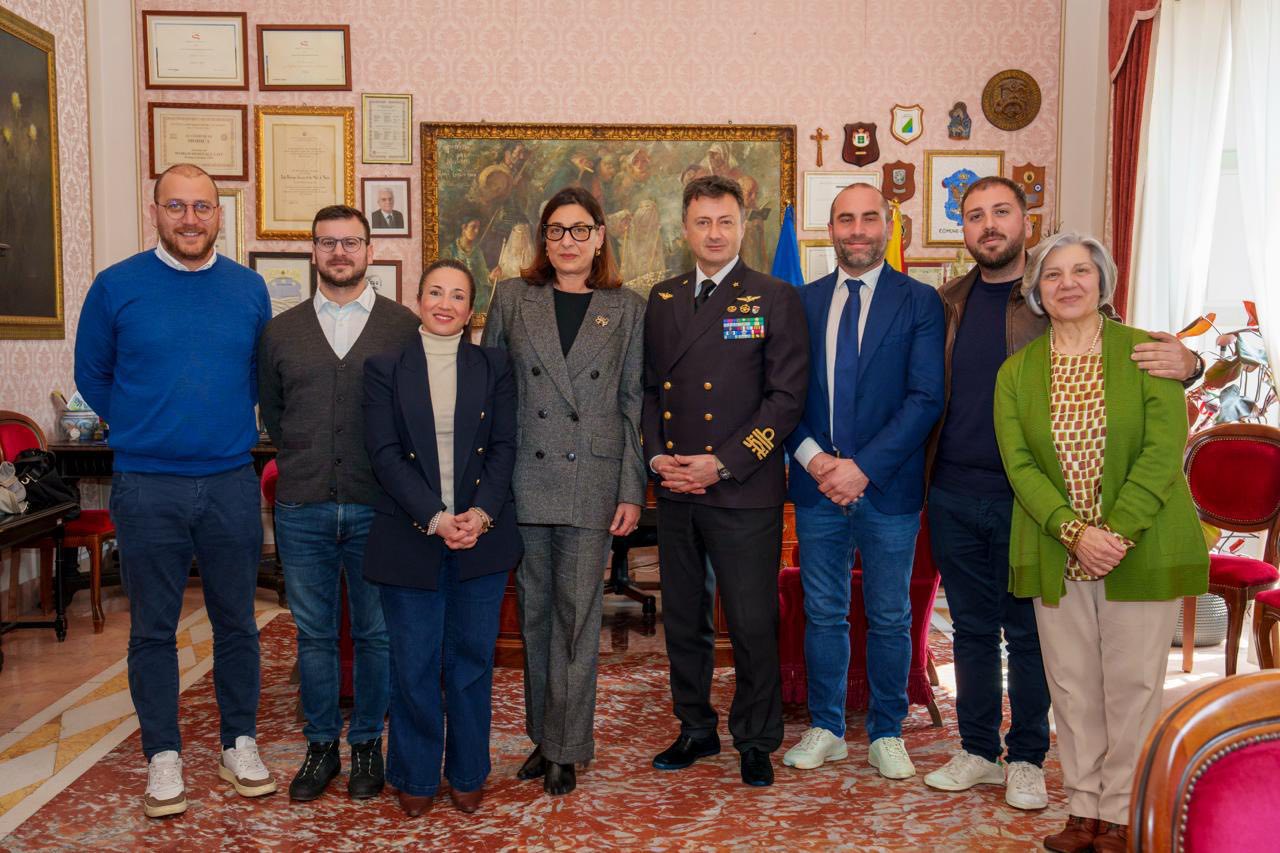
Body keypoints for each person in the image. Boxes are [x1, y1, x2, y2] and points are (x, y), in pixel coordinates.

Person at [922, 176, 1202, 811]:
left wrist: (1193, 363)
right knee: (976, 632)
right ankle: (980, 750)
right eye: (974, 215)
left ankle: (1028, 760)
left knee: (1036, 641)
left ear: (1026, 220)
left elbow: (1155, 417)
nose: (988, 225)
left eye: (1001, 211)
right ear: (963, 229)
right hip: (960, 492)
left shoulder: (1111, 333)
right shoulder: (945, 303)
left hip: (1034, 508)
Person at [994, 232, 1208, 853]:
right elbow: (1019, 465)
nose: (1068, 284)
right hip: (1056, 549)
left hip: (1138, 546)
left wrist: (1113, 534)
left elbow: (1163, 453)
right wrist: (1073, 532)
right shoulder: (1017, 373)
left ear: (1102, 282)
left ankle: (1121, 812)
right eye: (1053, 274)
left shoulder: (1147, 354)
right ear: (1037, 292)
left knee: (1133, 685)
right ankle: (1083, 808)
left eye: (1081, 271)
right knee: (1072, 686)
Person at [74, 163, 275, 818]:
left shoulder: (248, 289)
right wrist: (143, 426)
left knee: (237, 622)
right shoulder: (116, 286)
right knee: (154, 628)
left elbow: (256, 376)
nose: (191, 219)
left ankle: (239, 741)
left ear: (220, 214)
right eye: (177, 206)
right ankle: (163, 753)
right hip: (146, 485)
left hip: (229, 481)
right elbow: (93, 374)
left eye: (203, 207)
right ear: (155, 211)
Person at [642, 175, 808, 787]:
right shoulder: (661, 298)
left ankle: (756, 738)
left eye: (725, 221)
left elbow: (786, 400)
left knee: (751, 620)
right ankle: (695, 727)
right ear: (684, 229)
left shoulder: (774, 296)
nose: (714, 233)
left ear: (743, 227)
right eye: (702, 222)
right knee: (684, 620)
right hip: (677, 489)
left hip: (743, 487)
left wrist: (724, 462)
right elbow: (649, 391)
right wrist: (656, 459)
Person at [482, 186, 646, 796]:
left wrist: (631, 488)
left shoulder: (628, 308)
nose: (568, 241)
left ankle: (567, 748)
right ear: (543, 240)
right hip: (524, 477)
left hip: (591, 480)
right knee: (534, 614)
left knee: (576, 618)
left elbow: (632, 402)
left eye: (580, 230)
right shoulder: (511, 298)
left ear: (600, 237)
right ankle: (542, 736)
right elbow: (490, 395)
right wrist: (485, 486)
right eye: (556, 230)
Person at [780, 183, 944, 780]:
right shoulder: (801, 302)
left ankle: (887, 731)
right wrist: (814, 460)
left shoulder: (919, 302)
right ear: (830, 229)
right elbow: (783, 394)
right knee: (824, 613)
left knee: (890, 616)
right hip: (817, 486)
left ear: (887, 226)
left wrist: (862, 468)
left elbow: (925, 398)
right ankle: (826, 727)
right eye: (845, 219)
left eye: (868, 218)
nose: (857, 230)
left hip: (888, 489)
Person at [257, 205, 420, 802]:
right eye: (327, 242)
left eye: (351, 242)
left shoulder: (403, 327)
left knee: (376, 633)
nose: (340, 252)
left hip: (381, 507)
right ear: (313, 252)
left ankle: (368, 743)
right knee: (314, 634)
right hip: (303, 507)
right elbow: (276, 414)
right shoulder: (281, 331)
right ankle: (322, 744)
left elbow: (415, 413)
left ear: (370, 251)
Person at [362, 259, 522, 817]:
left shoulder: (495, 366)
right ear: (418, 301)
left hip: (482, 535)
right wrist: (435, 516)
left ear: (471, 310)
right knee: (414, 663)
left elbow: (504, 446)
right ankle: (415, 773)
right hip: (410, 535)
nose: (445, 303)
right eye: (435, 292)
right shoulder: (385, 367)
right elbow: (383, 453)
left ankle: (468, 770)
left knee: (472, 661)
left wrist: (479, 514)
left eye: (457, 295)